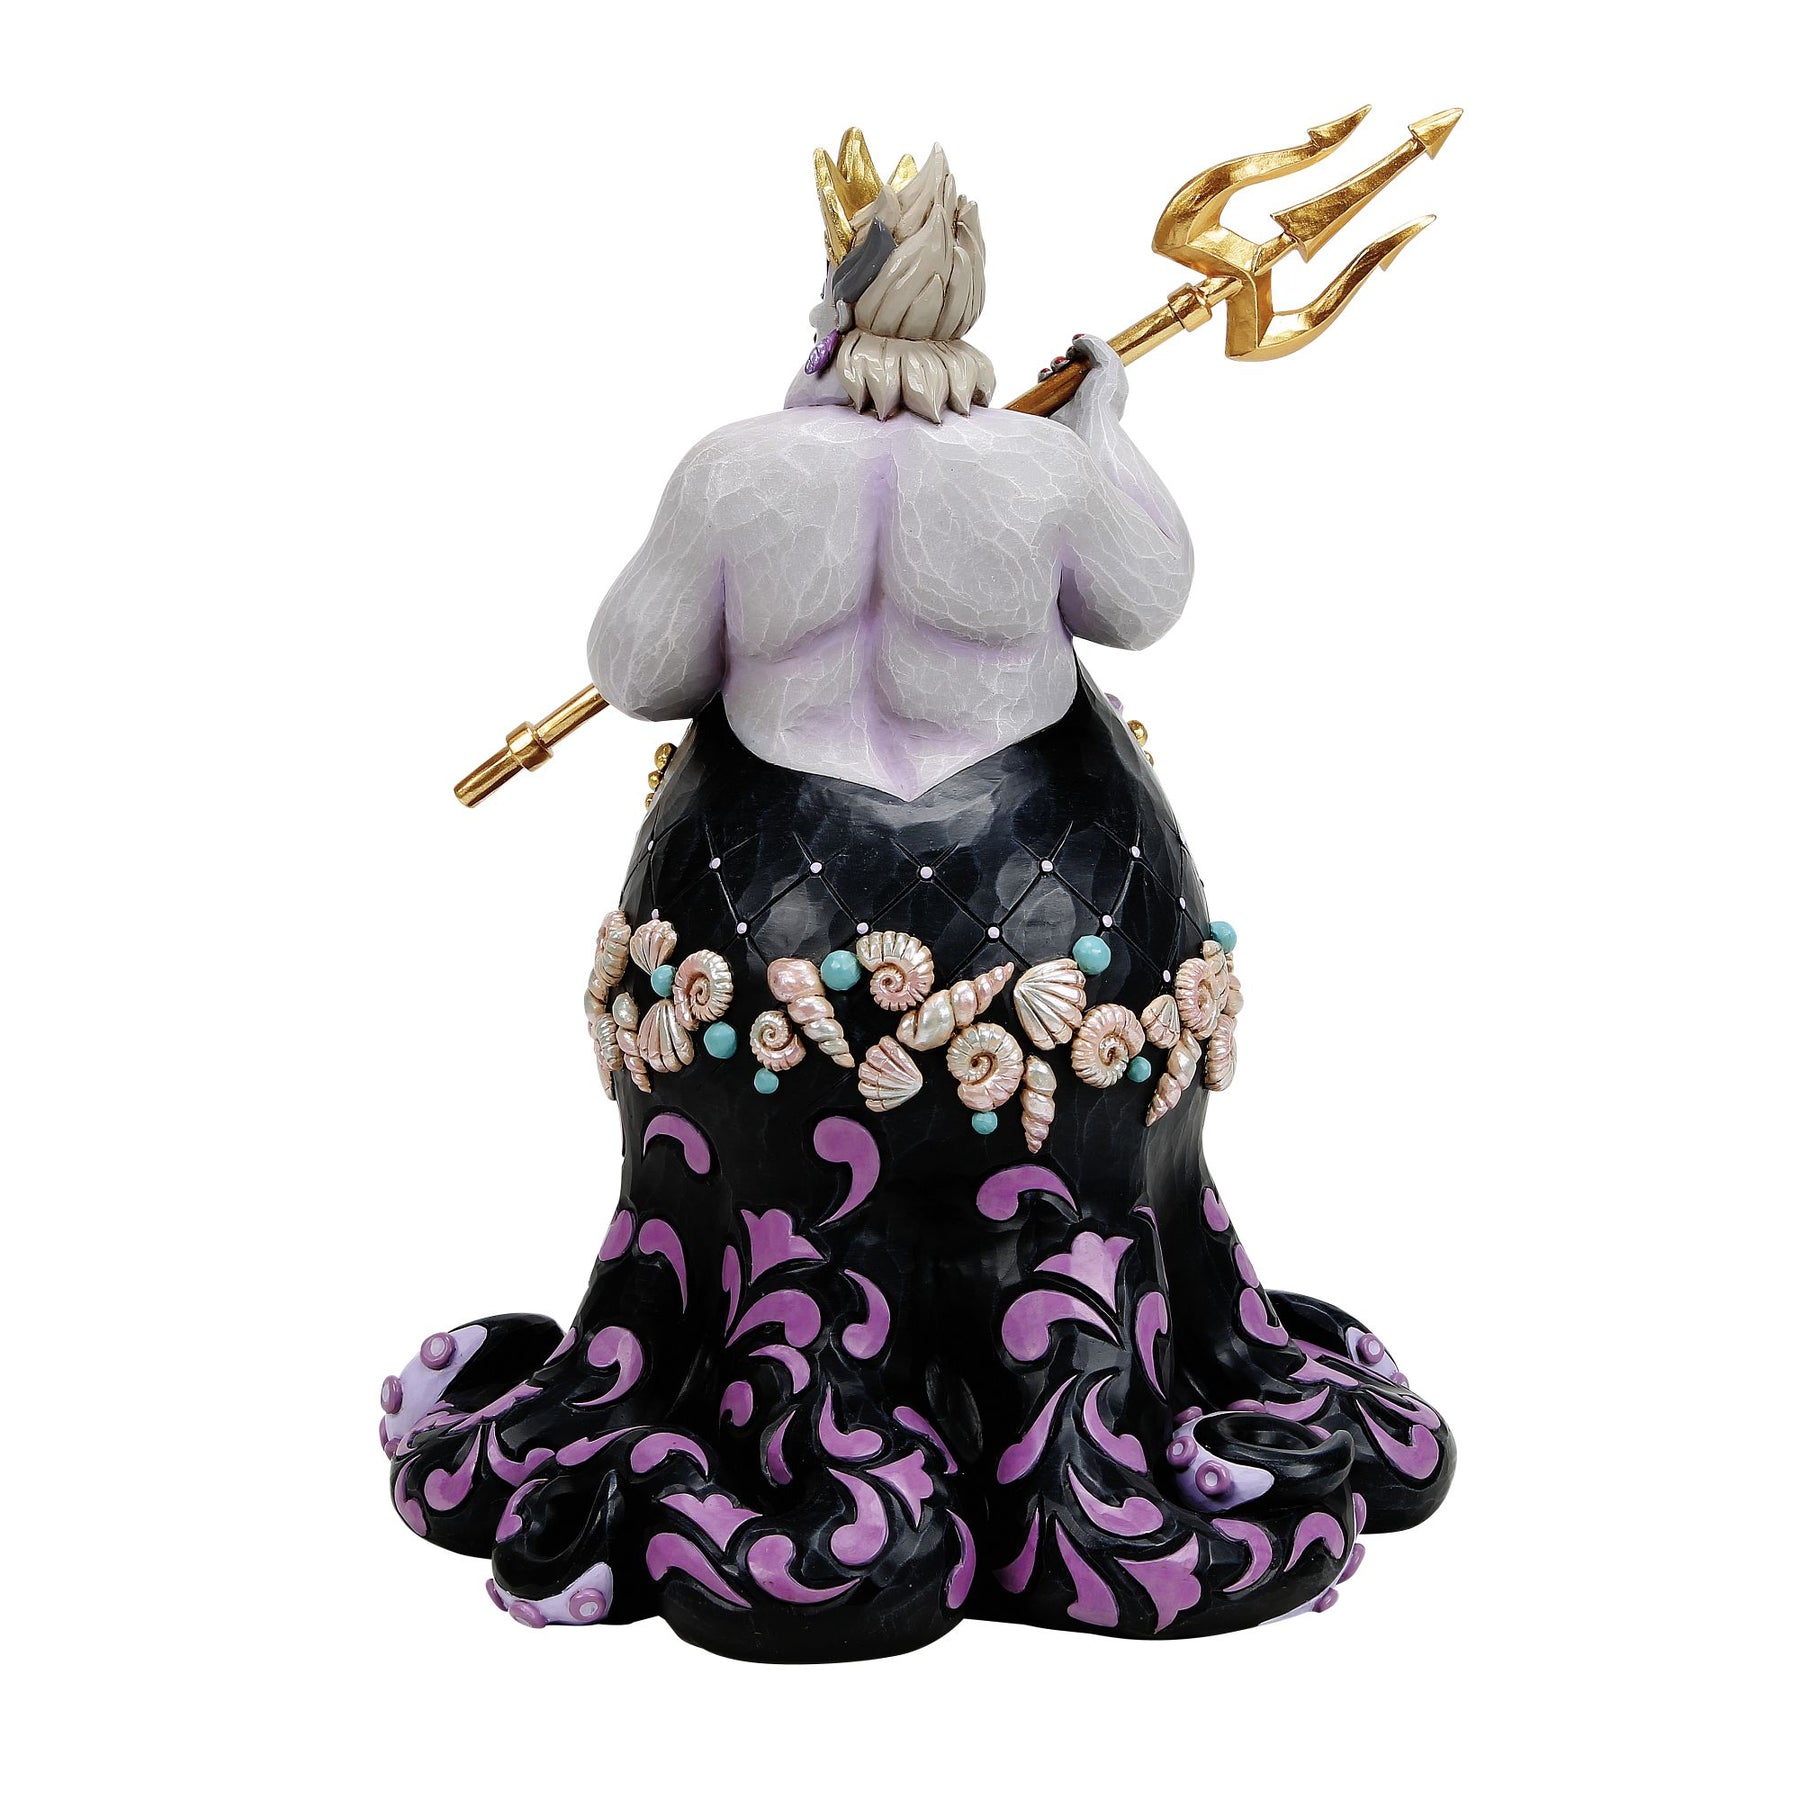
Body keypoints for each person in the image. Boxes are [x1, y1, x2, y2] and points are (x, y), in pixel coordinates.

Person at [380, 134, 1454, 1660]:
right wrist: (1106, 432)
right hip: (1056, 926)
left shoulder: (737, 469)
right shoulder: (1039, 463)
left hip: (763, 942)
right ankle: (1082, 1432)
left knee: (767, 1181)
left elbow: (636, 668)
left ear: (832, 305)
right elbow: (1147, 600)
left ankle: (774, 1420)